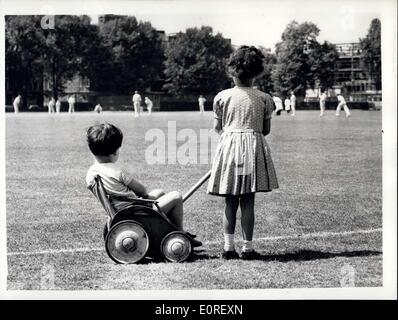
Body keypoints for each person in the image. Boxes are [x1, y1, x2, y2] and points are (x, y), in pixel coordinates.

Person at [207, 46, 279, 260]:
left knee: (230, 200)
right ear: (257, 72)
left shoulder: (222, 96)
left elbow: (217, 128)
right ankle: (247, 249)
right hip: (253, 147)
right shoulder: (265, 98)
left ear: (232, 70)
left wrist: (232, 135)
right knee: (248, 200)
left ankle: (228, 249)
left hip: (229, 146)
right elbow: (265, 130)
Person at [85, 123, 202, 247]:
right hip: (135, 213)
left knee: (159, 193)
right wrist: (144, 196)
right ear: (115, 152)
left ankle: (166, 229)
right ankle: (179, 233)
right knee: (176, 196)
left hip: (117, 212)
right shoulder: (117, 171)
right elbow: (142, 191)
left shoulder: (91, 174)